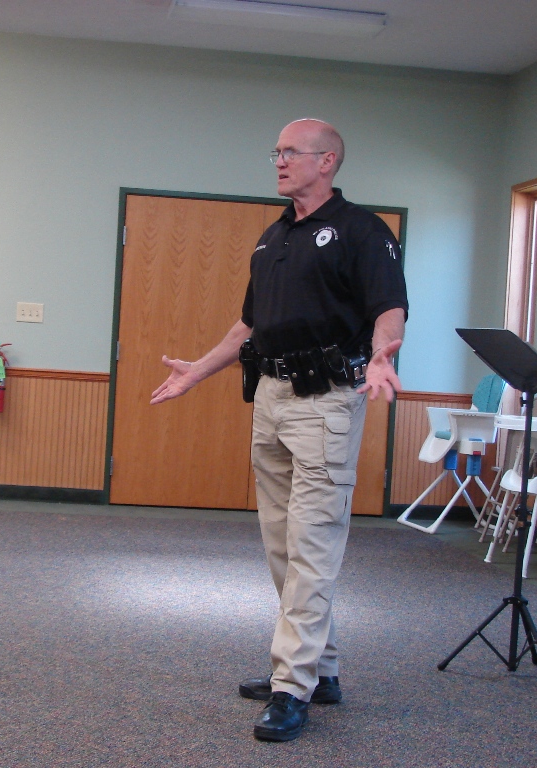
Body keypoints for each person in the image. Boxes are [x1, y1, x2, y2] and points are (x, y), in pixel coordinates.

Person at [151, 118, 408, 741]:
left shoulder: (362, 230)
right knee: (282, 545)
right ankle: (321, 668)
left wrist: (383, 354)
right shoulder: (273, 237)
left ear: (328, 161)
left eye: (291, 152)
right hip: (270, 396)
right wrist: (198, 371)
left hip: (325, 402)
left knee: (313, 544)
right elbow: (249, 327)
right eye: (277, 153)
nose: (279, 162)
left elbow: (389, 306)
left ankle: (293, 685)